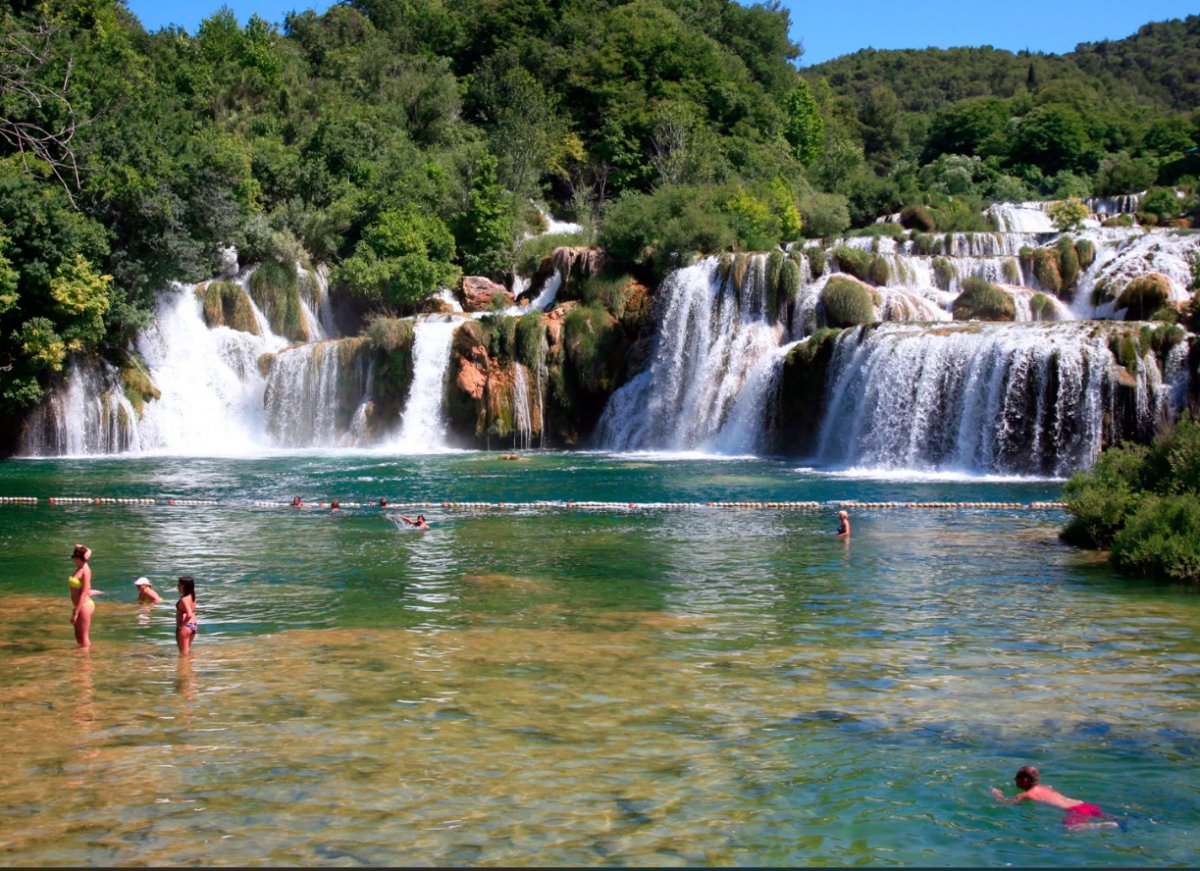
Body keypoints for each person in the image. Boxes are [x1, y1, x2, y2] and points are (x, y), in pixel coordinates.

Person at [992, 765, 1119, 831]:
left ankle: (1102, 826)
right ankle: (1119, 820)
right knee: (1118, 819)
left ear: (1024, 781)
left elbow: (1008, 803)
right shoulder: (1046, 787)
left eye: (1016, 778)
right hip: (1084, 805)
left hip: (1075, 811)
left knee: (1069, 829)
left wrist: (998, 795)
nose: (1014, 781)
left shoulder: (1026, 794)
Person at [69, 544, 98, 648]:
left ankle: (86, 661)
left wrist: (76, 612)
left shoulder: (86, 571)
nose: (73, 560)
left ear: (78, 558)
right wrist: (81, 548)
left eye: (74, 558)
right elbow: (83, 548)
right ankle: (80, 659)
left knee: (83, 637)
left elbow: (84, 592)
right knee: (78, 637)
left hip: (84, 606)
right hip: (79, 606)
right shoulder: (80, 565)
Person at [175, 576, 197, 656]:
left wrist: (181, 625)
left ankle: (184, 668)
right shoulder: (192, 596)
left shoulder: (184, 599)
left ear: (185, 586)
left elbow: (189, 614)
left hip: (186, 626)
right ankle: (189, 666)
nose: (177, 586)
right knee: (187, 650)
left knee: (183, 653)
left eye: (179, 585)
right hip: (193, 625)